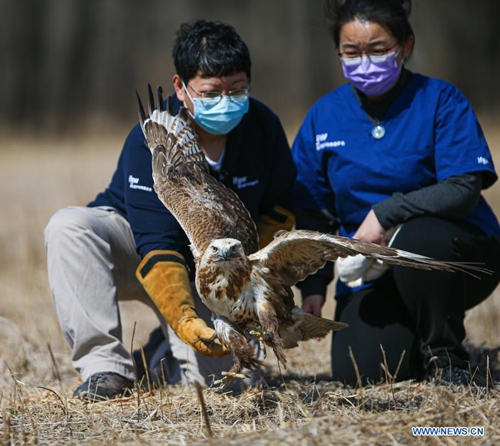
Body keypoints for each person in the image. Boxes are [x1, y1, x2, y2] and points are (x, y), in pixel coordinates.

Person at [44, 19, 296, 402]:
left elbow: (280, 212)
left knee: (223, 389)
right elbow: (156, 242)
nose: (226, 101)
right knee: (69, 226)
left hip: (218, 273)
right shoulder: (152, 136)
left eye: (238, 89)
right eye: (211, 92)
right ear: (181, 87)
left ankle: (161, 354)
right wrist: (184, 319)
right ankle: (105, 369)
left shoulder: (263, 127)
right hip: (144, 254)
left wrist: (257, 288)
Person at [292, 0, 500, 387]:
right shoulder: (324, 116)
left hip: (455, 253)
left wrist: (387, 214)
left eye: (378, 49)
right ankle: (413, 338)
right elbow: (310, 208)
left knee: (419, 236)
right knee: (364, 373)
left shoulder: (441, 100)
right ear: (338, 51)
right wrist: (314, 286)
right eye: (352, 52)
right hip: (372, 267)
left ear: (405, 46)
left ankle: (447, 358)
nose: (365, 61)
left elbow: (463, 190)